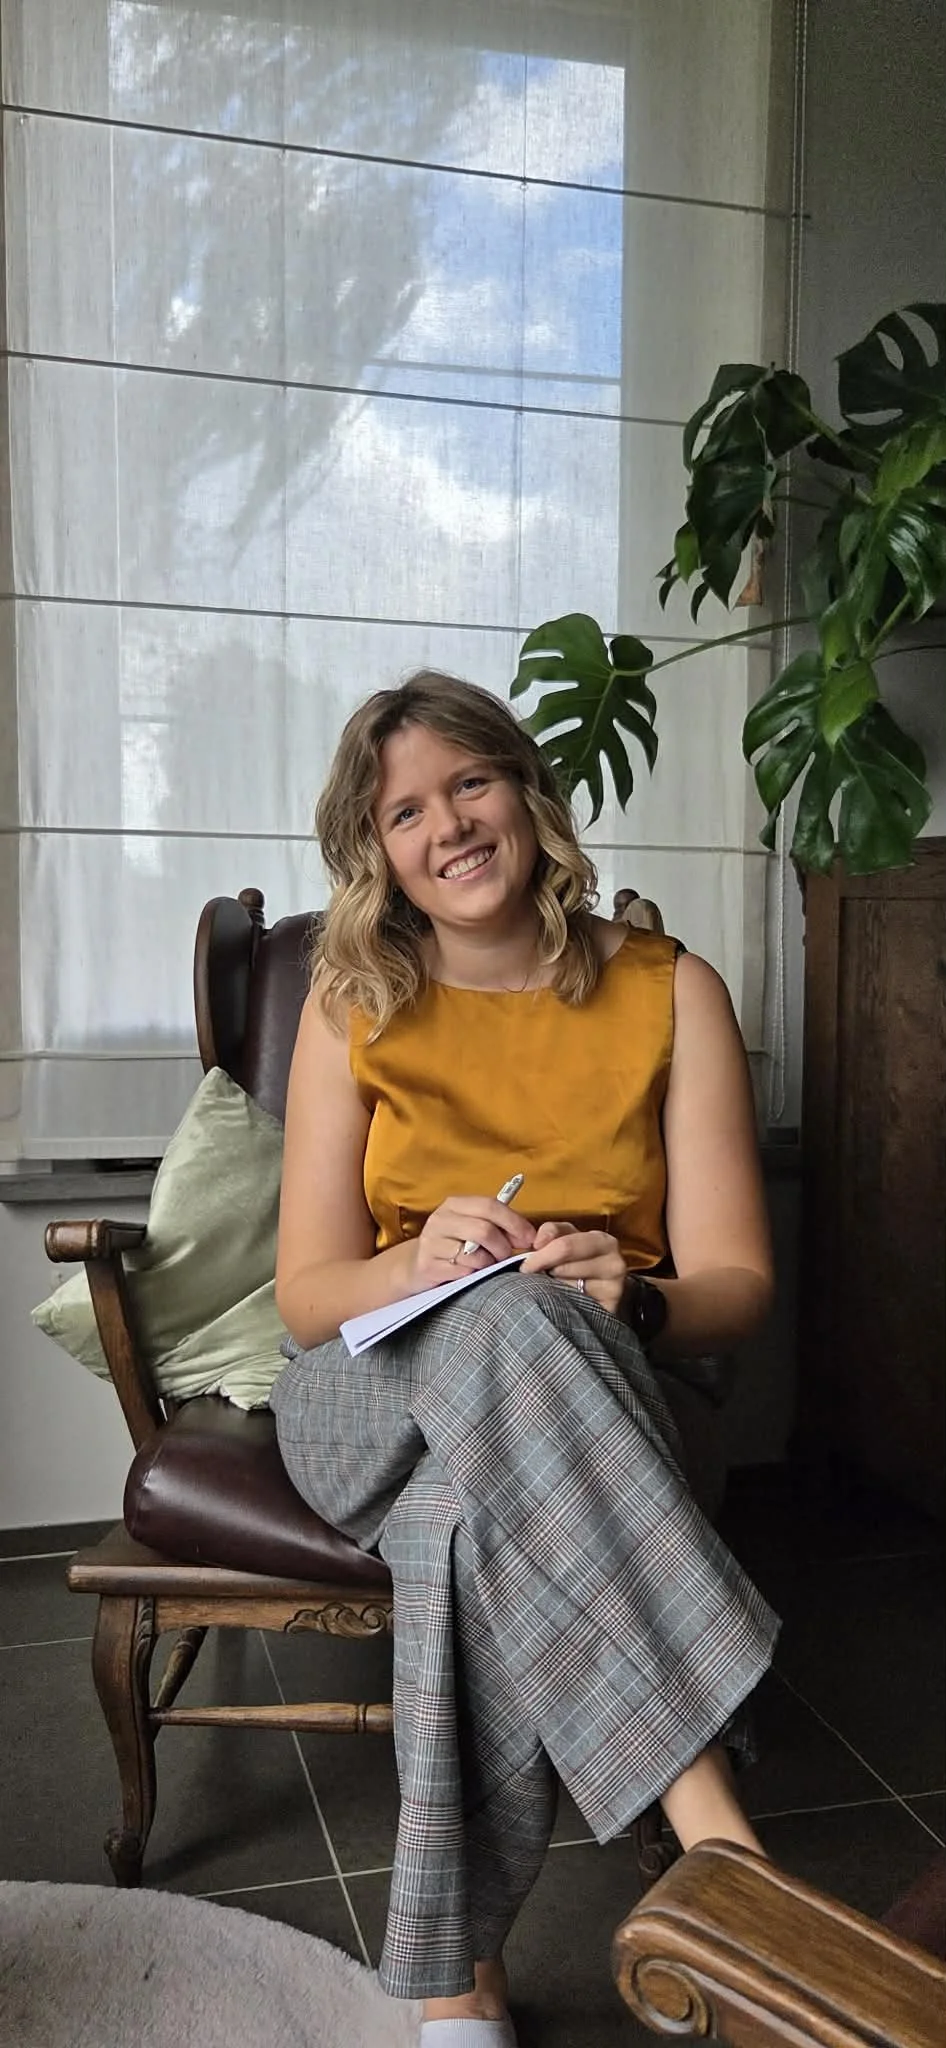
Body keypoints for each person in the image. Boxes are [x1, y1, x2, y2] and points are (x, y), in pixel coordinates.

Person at [272, 670, 779, 2045]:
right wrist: (417, 1261)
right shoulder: (350, 1000)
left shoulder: (670, 991)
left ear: (526, 790)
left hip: (607, 1391)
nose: (447, 826)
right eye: (404, 811)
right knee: (493, 1308)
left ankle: (453, 1978)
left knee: (461, 1511)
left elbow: (737, 1285)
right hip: (364, 1391)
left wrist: (638, 1292)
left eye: (469, 784)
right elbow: (308, 1296)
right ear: (374, 848)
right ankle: (716, 1835)